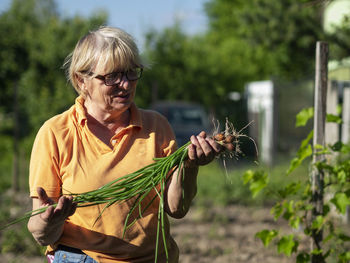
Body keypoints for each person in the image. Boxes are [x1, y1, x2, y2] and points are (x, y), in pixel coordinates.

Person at [27, 26, 222, 263]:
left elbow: (176, 209)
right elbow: (40, 231)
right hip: (84, 258)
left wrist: (190, 166)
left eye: (132, 73)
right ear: (81, 80)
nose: (126, 84)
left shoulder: (156, 126)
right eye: (112, 76)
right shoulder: (55, 133)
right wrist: (50, 222)